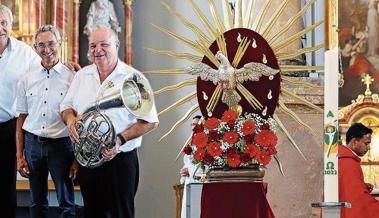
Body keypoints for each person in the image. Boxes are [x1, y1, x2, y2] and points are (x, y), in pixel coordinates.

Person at [60, 27, 158, 218]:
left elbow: (151, 121)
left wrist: (120, 139)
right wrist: (70, 119)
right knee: (92, 213)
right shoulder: (82, 76)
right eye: (93, 45)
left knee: (122, 213)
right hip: (88, 160)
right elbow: (66, 107)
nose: (98, 50)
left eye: (104, 44)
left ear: (116, 45)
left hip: (120, 160)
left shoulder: (134, 78)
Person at [15, 25, 77, 218]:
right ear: (35, 47)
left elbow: (79, 119)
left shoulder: (73, 77)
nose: (46, 49)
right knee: (37, 202)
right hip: (33, 146)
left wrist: (77, 158)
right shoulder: (26, 79)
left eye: (51, 43)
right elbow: (21, 119)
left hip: (62, 146)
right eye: (41, 45)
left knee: (66, 203)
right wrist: (20, 155)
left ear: (59, 43)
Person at [0, 4, 40, 218]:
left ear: (10, 25)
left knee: (5, 187)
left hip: (8, 129)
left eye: (3, 23)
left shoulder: (24, 53)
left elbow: (44, 71)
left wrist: (66, 67)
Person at [339, 122, 379, 217]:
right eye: (366, 143)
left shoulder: (342, 159)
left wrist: (362, 186)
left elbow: (347, 189)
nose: (368, 148)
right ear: (354, 142)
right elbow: (358, 200)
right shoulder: (348, 163)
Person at [180, 115, 203, 218]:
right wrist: (183, 171)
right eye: (192, 124)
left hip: (200, 185)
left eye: (197, 124)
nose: (194, 127)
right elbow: (187, 163)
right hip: (190, 183)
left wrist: (190, 170)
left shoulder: (208, 144)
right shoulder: (190, 145)